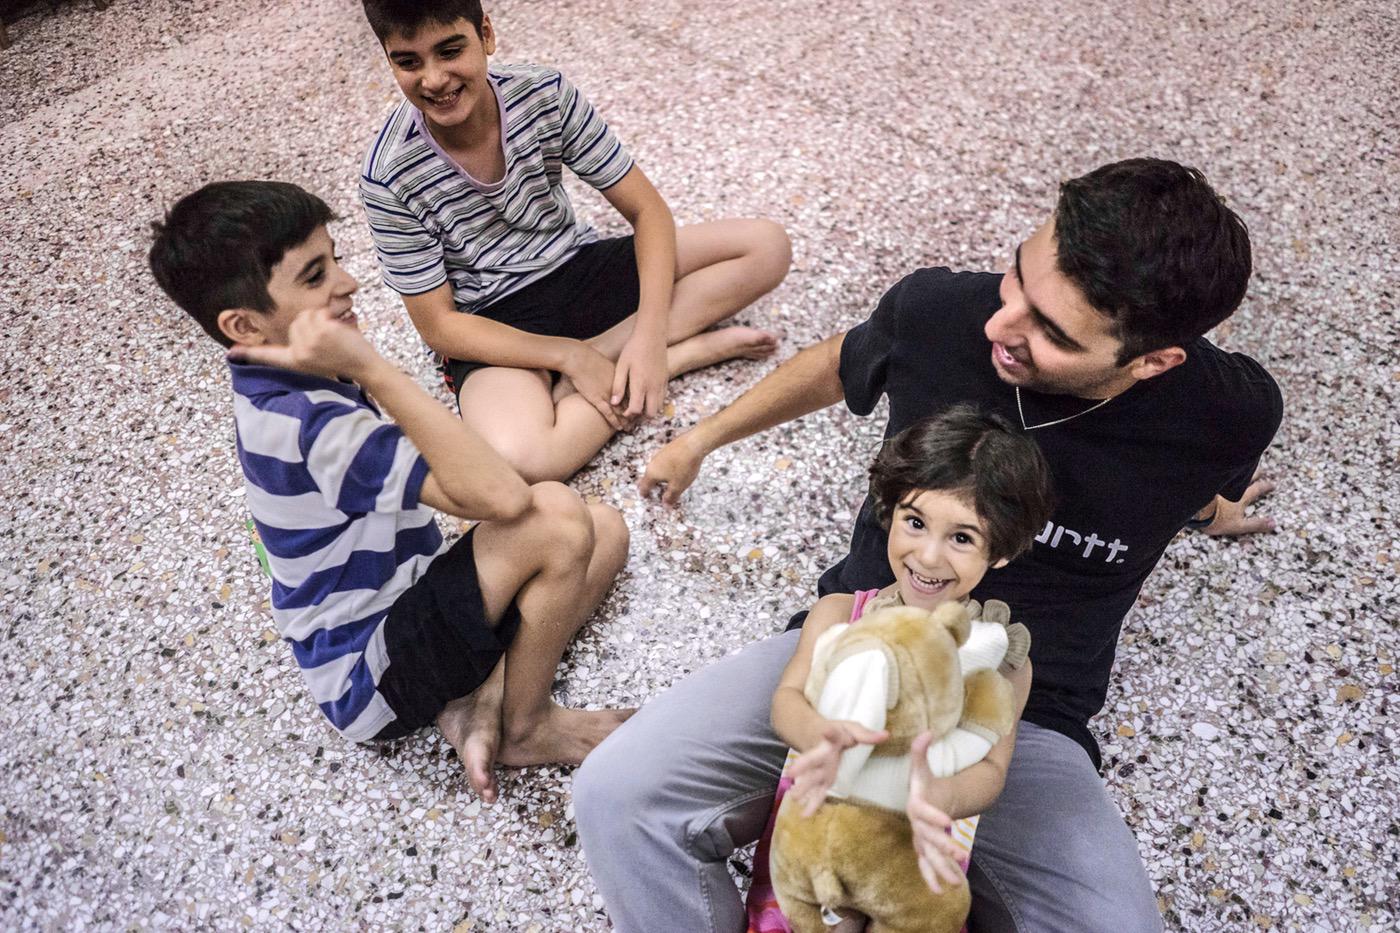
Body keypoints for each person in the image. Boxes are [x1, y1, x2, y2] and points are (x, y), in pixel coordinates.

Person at [575, 158, 1283, 931]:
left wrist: (1211, 513)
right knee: (618, 792)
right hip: (858, 651)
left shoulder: (1226, 414)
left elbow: (1201, 485)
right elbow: (842, 359)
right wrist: (702, 439)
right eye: (1017, 279)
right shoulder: (940, 312)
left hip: (1027, 712)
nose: (1000, 324)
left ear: (1153, 361)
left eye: (1050, 331)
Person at [148, 181, 633, 805]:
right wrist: (378, 368)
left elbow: (457, 471)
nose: (348, 282)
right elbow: (505, 497)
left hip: (408, 596)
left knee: (606, 529)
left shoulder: (282, 379)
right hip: (369, 677)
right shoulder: (310, 425)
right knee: (556, 519)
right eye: (316, 275)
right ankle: (525, 726)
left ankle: (479, 701)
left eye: (337, 257)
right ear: (246, 324)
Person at [357, 0, 792, 482]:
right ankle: (681, 353)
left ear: (486, 35)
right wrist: (569, 355)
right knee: (520, 461)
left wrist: (648, 338)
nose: (434, 79)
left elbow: (647, 210)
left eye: (450, 50)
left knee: (765, 246)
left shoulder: (543, 92)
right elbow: (439, 327)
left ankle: (634, 358)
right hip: (494, 321)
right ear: (389, 59)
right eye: (408, 61)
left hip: (577, 263)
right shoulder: (388, 175)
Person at [747, 406, 1054, 932]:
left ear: (1000, 553)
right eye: (915, 523)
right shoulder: (840, 615)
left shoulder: (1000, 665)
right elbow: (788, 700)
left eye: (962, 538)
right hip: (821, 834)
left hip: (918, 854)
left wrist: (941, 796)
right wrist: (823, 735)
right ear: (889, 513)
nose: (928, 556)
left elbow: (990, 769)